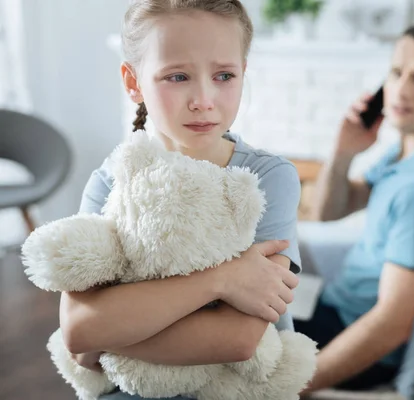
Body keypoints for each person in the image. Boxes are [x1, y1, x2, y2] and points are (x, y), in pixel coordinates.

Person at [63, 1, 302, 399]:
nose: (204, 99)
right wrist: (222, 279)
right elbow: (79, 334)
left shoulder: (268, 178)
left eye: (224, 75)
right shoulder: (108, 183)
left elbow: (240, 340)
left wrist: (111, 333)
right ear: (133, 81)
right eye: (177, 76)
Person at [296, 24, 414, 395]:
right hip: (330, 306)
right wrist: (344, 150)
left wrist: (293, 385)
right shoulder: (410, 156)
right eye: (397, 73)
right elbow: (327, 211)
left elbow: (392, 324)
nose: (402, 90)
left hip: (347, 336)